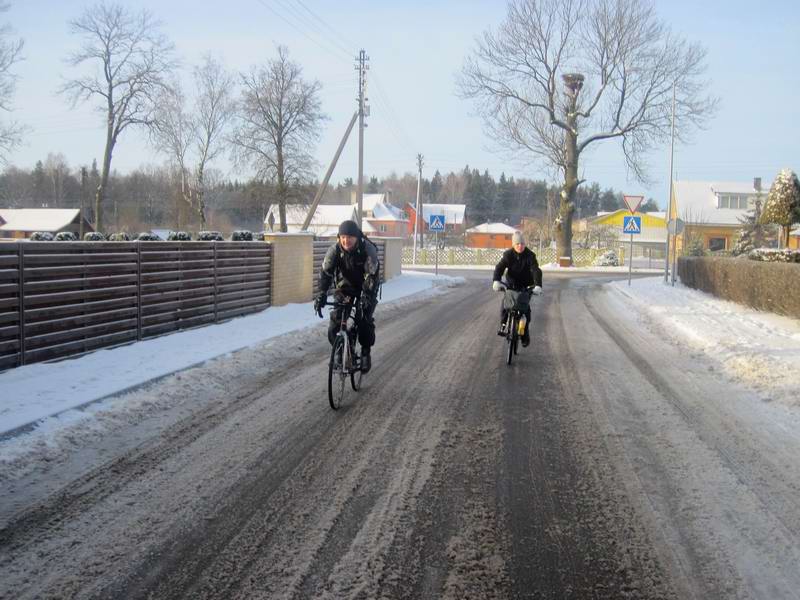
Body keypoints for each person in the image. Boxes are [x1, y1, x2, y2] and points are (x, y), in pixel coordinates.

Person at [314, 220, 381, 373]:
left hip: (366, 287)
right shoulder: (335, 250)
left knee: (364, 319)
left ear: (357, 237)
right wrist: (321, 294)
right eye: (343, 237)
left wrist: (367, 296)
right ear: (339, 238)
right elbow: (325, 273)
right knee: (336, 321)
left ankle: (365, 352)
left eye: (350, 237)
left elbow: (372, 276)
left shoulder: (367, 250)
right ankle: (339, 349)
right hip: (344, 288)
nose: (346, 240)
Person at [492, 231, 542, 347]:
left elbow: (536, 270)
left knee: (525, 310)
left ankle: (525, 334)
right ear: (513, 244)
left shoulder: (530, 255)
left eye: (522, 244)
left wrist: (538, 285)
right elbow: (499, 268)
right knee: (505, 304)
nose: (520, 246)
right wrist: (496, 280)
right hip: (511, 284)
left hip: (526, 285)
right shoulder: (508, 255)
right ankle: (503, 325)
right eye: (518, 244)